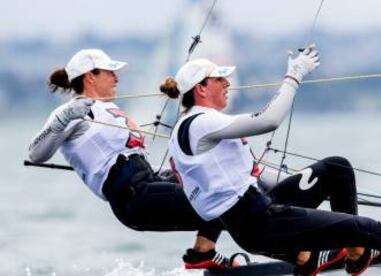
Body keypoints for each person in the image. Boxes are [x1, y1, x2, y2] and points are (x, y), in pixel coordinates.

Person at [161, 45, 381, 275]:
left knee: (335, 169)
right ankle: (334, 251)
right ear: (201, 89)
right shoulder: (202, 123)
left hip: (257, 211)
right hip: (260, 222)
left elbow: (247, 177)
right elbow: (268, 120)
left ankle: (349, 253)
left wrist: (301, 182)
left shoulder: (187, 128)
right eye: (219, 79)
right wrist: (294, 76)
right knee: (366, 228)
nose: (228, 82)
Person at [28, 49, 236, 270]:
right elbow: (35, 153)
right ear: (91, 76)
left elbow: (130, 159)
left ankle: (206, 253)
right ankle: (202, 254)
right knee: (223, 198)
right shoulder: (73, 110)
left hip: (146, 183)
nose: (117, 78)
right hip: (132, 198)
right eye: (110, 72)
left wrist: (168, 173)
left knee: (224, 185)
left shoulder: (111, 109)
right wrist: (65, 118)